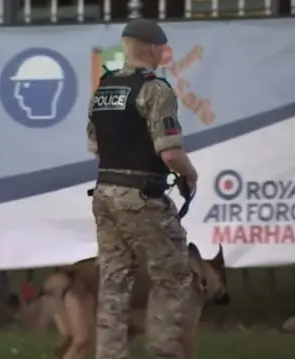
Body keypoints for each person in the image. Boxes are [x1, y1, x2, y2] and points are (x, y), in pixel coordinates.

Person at [87, 18, 198, 359]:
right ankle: (165, 353)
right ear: (153, 49)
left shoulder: (103, 90)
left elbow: (95, 147)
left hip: (105, 195)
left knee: (113, 283)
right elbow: (169, 152)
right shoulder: (155, 89)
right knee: (173, 276)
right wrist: (190, 175)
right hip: (141, 198)